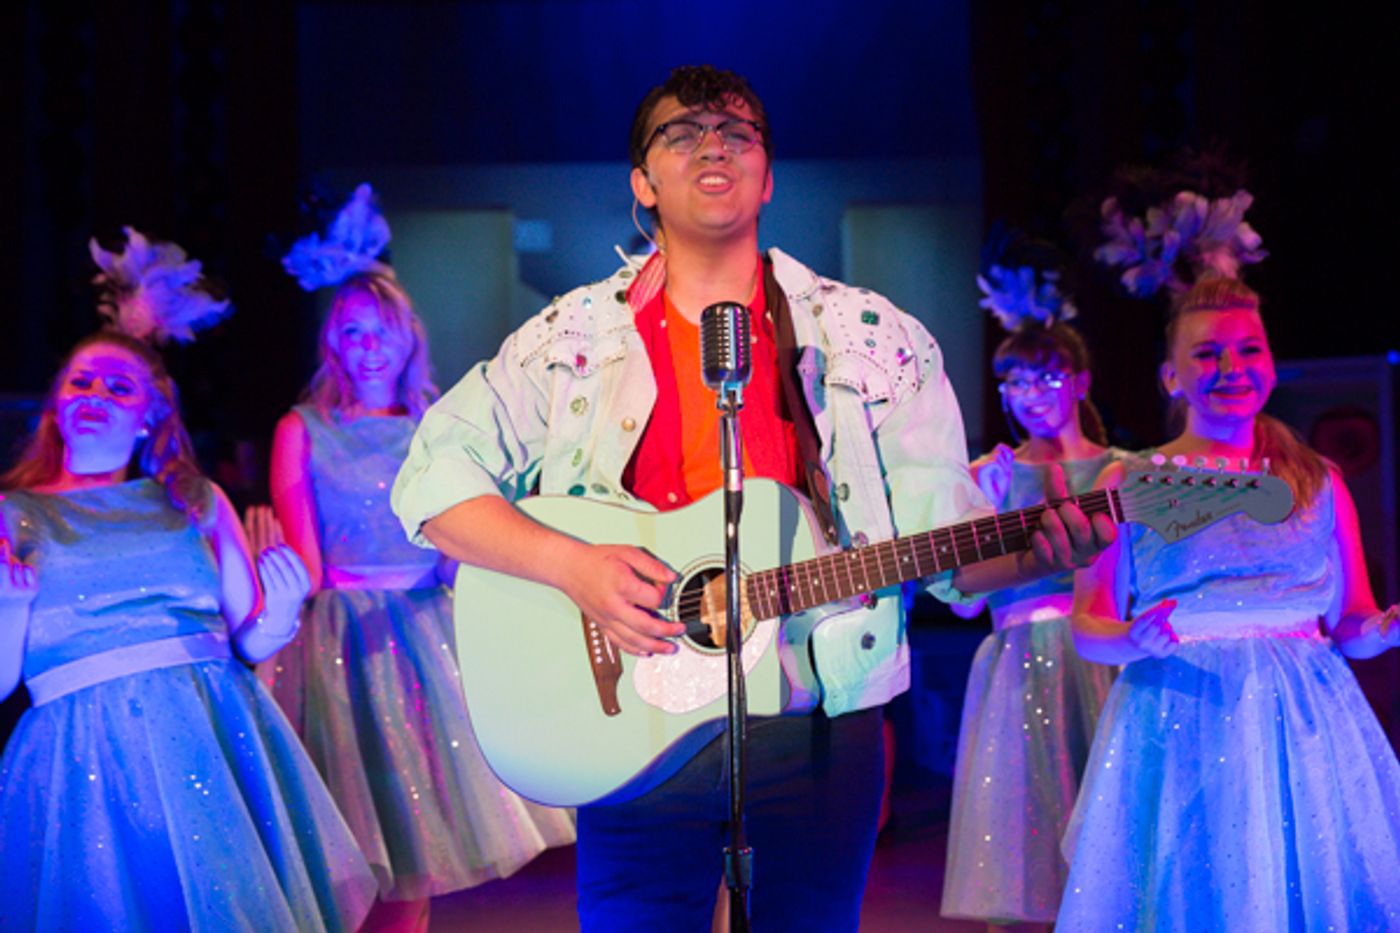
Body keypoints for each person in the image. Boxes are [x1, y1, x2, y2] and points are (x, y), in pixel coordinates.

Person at [391, 65, 1114, 932]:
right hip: (627, 722)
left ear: (768, 177)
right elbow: (430, 480)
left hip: (813, 717)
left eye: (737, 133)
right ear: (642, 184)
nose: (712, 145)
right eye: (682, 132)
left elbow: (947, 545)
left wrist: (1045, 548)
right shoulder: (570, 338)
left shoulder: (870, 340)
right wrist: (573, 566)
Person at [0, 228, 376, 930]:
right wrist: (9, 606)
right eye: (79, 381)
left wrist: (286, 604)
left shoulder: (193, 499)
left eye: (118, 386)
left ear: (150, 415)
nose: (94, 394)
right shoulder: (11, 512)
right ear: (55, 405)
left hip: (204, 731)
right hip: (83, 754)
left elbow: (250, 639)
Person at [263, 187, 575, 931]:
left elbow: (454, 552)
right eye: (353, 330)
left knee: (419, 832)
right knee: (343, 834)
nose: (370, 343)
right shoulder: (301, 427)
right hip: (338, 638)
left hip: (427, 636)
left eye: (384, 329)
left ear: (409, 338)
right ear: (334, 342)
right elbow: (304, 556)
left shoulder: (438, 429)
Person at [1059, 275, 1400, 930]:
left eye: (1249, 351)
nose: (1231, 368)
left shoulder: (1318, 478)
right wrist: (1132, 639)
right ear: (1171, 377)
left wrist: (1383, 627)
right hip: (1185, 709)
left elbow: (1350, 621)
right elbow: (1088, 624)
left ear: (1270, 364)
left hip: (1304, 722)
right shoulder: (1127, 480)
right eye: (1207, 354)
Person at [941, 254, 1118, 931]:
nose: (1028, 391)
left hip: (1102, 662)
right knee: (1018, 848)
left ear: (1080, 380)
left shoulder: (1123, 470)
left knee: (1106, 836)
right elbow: (959, 602)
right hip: (1017, 662)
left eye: (1045, 374)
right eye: (1013, 379)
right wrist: (981, 510)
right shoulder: (989, 474)